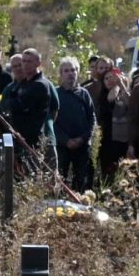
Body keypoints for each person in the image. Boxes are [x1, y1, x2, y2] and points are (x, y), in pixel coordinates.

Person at [2, 47, 59, 171]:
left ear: (38, 63)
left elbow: (17, 105)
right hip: (23, 141)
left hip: (37, 142)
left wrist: (10, 104)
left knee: (43, 176)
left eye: (29, 61)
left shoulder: (40, 84)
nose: (25, 65)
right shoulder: (22, 84)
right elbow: (7, 104)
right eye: (24, 61)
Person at [53, 56, 95, 191]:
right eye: (66, 71)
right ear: (61, 74)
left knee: (81, 182)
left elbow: (91, 119)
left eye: (73, 70)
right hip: (61, 146)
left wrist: (82, 139)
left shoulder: (84, 94)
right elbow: (51, 121)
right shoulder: (55, 94)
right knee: (59, 180)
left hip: (82, 146)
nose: (70, 73)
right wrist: (66, 140)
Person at [97, 68, 131, 182]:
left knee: (122, 173)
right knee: (107, 173)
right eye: (106, 78)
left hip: (122, 139)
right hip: (107, 139)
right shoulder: (103, 95)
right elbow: (111, 98)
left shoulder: (124, 92)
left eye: (112, 77)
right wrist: (117, 85)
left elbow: (130, 104)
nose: (109, 80)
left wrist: (121, 84)